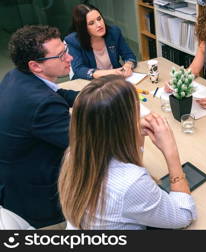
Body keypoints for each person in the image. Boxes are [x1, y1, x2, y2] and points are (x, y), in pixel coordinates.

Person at [58, 75, 196, 229]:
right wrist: (171, 153)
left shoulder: (74, 154)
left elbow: (128, 162)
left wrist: (135, 135)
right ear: (123, 124)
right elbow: (184, 216)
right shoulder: (132, 182)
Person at [0, 25, 78, 228]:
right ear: (36, 66)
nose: (69, 58)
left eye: (66, 50)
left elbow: (57, 93)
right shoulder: (42, 105)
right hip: (41, 202)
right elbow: (85, 143)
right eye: (61, 56)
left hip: (13, 181)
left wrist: (95, 96)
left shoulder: (15, 76)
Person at [65, 3, 137, 80]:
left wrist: (128, 65)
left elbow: (129, 55)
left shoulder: (114, 32)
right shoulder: (73, 41)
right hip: (91, 83)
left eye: (99, 19)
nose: (99, 24)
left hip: (116, 80)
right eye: (91, 23)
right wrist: (112, 72)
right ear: (83, 27)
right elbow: (79, 69)